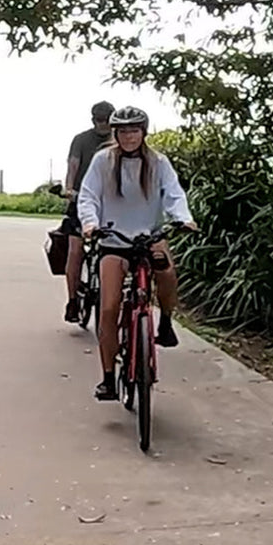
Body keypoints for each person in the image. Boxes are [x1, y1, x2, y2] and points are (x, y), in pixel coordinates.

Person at [76, 106, 196, 401]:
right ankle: (107, 378)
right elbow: (88, 195)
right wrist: (91, 224)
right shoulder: (103, 161)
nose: (129, 136)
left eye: (134, 130)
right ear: (116, 133)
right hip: (113, 239)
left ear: (143, 132)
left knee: (167, 273)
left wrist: (183, 217)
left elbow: (174, 193)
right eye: (123, 131)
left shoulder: (158, 162)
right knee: (108, 307)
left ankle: (165, 321)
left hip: (149, 234)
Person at [60, 101, 115, 322]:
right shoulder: (81, 140)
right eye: (97, 120)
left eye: (104, 120)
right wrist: (69, 191)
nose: (101, 124)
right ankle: (73, 301)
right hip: (82, 201)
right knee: (75, 251)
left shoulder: (119, 140)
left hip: (111, 203)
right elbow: (72, 167)